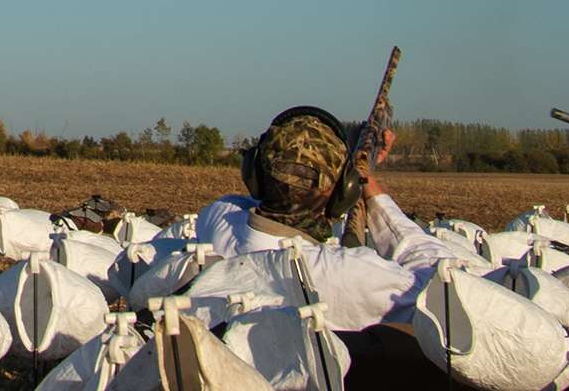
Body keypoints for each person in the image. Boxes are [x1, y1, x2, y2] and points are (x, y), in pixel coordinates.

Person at [193, 106, 460, 328]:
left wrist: (349, 175)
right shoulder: (341, 272)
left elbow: (269, 208)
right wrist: (366, 181)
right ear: (345, 193)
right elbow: (442, 286)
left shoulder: (217, 219)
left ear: (253, 174)